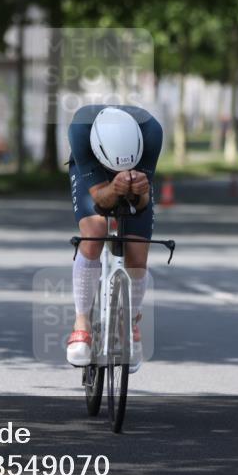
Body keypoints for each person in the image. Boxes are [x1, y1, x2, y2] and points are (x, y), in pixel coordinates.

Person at [67, 105, 163, 372]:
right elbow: (101, 199)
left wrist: (140, 191)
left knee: (137, 252)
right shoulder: (80, 130)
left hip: (136, 167)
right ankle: (82, 322)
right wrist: (113, 188)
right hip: (92, 173)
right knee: (95, 233)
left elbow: (141, 204)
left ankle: (129, 322)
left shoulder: (152, 132)